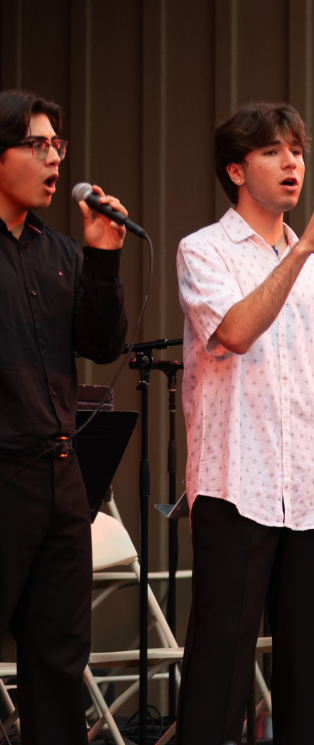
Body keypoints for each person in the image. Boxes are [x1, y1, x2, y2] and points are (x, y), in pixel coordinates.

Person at [174, 101, 314, 744]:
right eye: (272, 151)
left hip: (312, 491)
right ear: (236, 169)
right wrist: (304, 247)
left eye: (297, 149)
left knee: (308, 669)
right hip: (236, 483)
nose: (293, 162)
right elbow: (232, 332)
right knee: (220, 665)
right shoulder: (203, 251)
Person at [0, 89, 129, 745]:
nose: (53, 157)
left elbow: (104, 343)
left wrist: (103, 253)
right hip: (4, 471)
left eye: (58, 145)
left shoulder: (59, 253)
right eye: (36, 144)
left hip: (61, 473)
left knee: (57, 660)